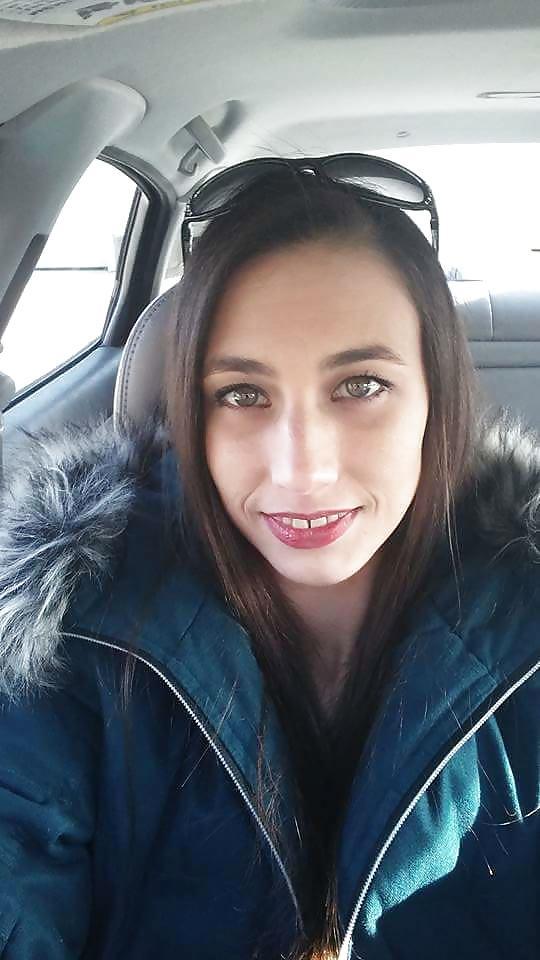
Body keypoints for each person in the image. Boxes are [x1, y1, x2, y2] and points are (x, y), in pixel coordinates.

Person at [0, 157, 538, 960]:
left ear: (437, 400)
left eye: (360, 386)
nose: (302, 470)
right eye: (243, 395)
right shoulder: (65, 636)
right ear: (193, 412)